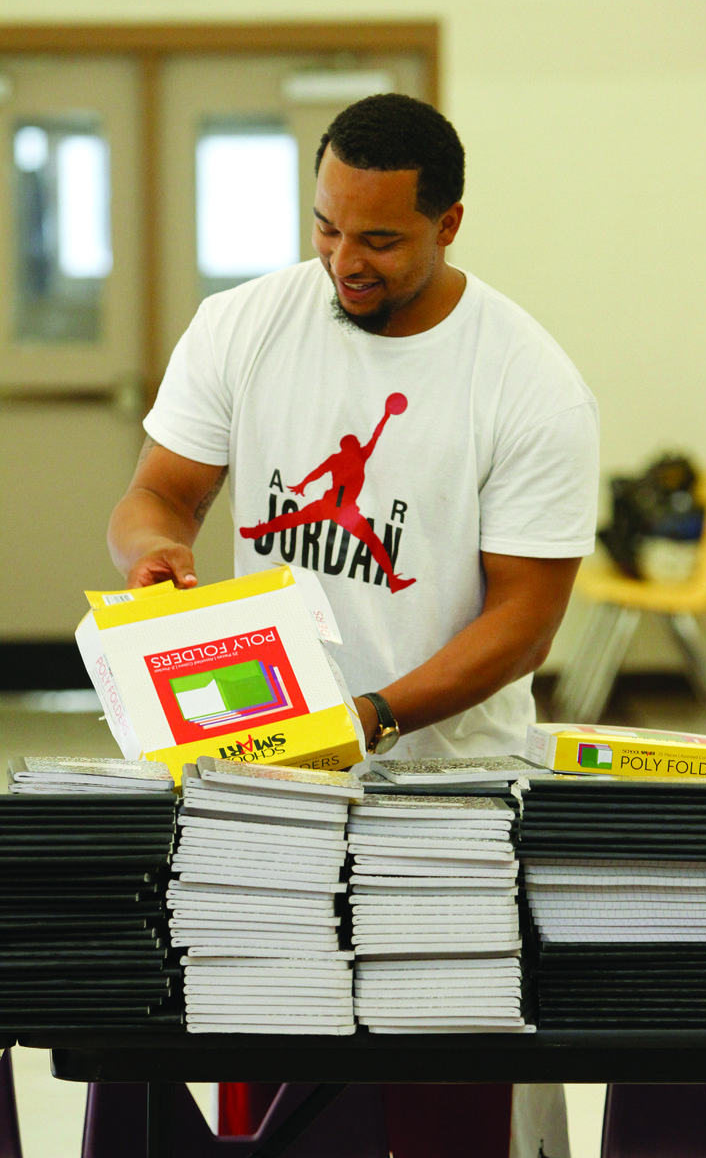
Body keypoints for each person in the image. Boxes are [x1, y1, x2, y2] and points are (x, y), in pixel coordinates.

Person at [108, 93, 599, 1158]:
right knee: (277, 1099)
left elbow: (522, 620)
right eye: (326, 227)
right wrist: (156, 558)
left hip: (447, 804)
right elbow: (158, 494)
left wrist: (369, 715)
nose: (342, 261)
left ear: (449, 223)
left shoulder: (527, 382)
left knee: (452, 1111)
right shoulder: (245, 322)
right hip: (268, 790)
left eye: (378, 239)